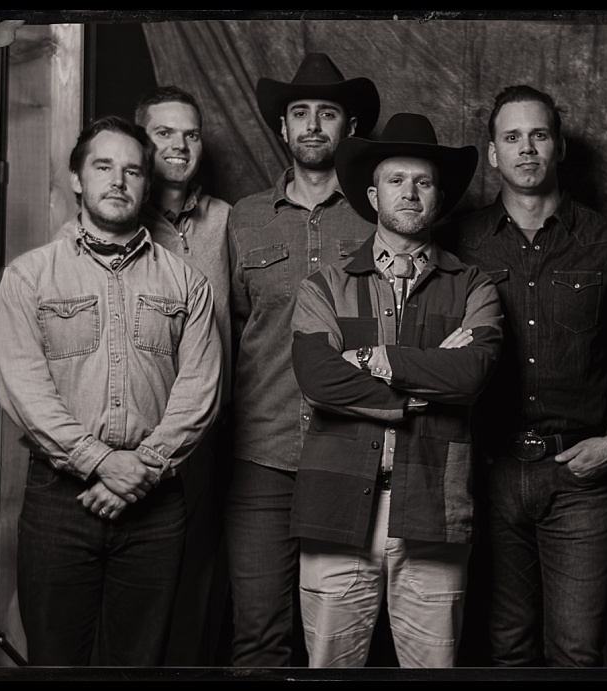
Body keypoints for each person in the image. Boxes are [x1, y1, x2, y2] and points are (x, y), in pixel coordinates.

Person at [0, 115, 222, 666]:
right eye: (103, 167)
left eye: (133, 171)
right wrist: (99, 462)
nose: (119, 181)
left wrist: (140, 467)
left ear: (146, 183)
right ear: (76, 179)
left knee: (139, 662)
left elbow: (200, 388)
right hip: (59, 500)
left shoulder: (186, 281)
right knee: (55, 660)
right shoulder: (28, 278)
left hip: (156, 501)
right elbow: (24, 388)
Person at [444, 85, 607, 666]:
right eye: (512, 138)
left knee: (578, 649)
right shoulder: (459, 242)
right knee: (505, 645)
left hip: (580, 474)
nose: (526, 149)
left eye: (538, 136)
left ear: (558, 146)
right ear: (492, 153)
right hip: (489, 472)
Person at [289, 112, 502, 668]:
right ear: (371, 193)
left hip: (434, 504)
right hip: (337, 506)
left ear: (440, 197)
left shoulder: (473, 285)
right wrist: (417, 393)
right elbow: (317, 378)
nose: (410, 193)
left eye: (424, 182)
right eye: (396, 180)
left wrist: (373, 359)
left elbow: (473, 373)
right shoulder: (324, 286)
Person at [225, 52, 380, 666]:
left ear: (349, 128)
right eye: (300, 113)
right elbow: (235, 331)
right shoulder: (245, 217)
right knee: (259, 634)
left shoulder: (377, 212)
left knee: (342, 637)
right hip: (260, 454)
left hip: (351, 447)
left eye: (328, 113)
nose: (313, 124)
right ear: (283, 129)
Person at [134, 85, 233, 665]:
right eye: (163, 132)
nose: (179, 144)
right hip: (134, 430)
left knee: (200, 577)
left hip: (209, 433)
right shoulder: (118, 216)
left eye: (190, 133)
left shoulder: (226, 220)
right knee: (138, 581)